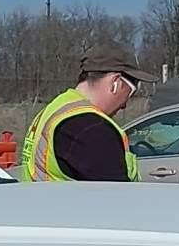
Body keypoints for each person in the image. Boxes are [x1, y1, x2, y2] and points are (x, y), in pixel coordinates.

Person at [17, 51, 145, 182]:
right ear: (115, 82)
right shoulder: (92, 129)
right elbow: (116, 197)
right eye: (130, 94)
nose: (125, 105)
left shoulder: (56, 109)